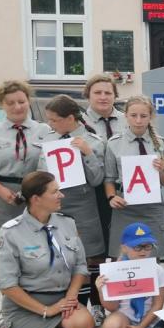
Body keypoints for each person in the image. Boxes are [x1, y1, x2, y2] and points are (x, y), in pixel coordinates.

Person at [0, 172, 95, 328]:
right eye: (55, 191)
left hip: (60, 298)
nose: (61, 195)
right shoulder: (11, 232)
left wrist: (71, 297)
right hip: (25, 307)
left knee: (82, 325)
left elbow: (80, 266)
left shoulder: (67, 223)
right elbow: (7, 285)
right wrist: (46, 310)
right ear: (36, 199)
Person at [38, 95, 107, 315]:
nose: (50, 124)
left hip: (84, 206)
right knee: (62, 257)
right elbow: (41, 173)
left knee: (90, 257)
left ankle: (95, 306)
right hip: (56, 206)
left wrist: (87, 153)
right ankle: (74, 307)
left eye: (54, 120)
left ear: (70, 118)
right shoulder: (49, 140)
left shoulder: (93, 140)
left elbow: (97, 179)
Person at [0, 80, 49, 254]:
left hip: (35, 197)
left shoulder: (44, 130)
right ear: (1, 105)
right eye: (10, 103)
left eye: (21, 101)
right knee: (5, 250)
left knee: (35, 249)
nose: (17, 107)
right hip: (1, 197)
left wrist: (31, 191)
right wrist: (0, 190)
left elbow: (47, 165)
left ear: (28, 101)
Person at [104, 95, 164, 259]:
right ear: (126, 116)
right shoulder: (114, 143)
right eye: (133, 115)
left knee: (151, 255)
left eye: (143, 116)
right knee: (122, 257)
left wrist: (161, 171)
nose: (138, 120)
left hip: (152, 207)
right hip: (125, 206)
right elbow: (109, 178)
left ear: (150, 117)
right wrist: (111, 197)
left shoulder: (160, 143)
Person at [96, 222, 164, 328]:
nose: (143, 251)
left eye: (147, 246)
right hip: (124, 317)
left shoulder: (157, 270)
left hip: (148, 319)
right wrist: (100, 290)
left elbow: (157, 305)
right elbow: (111, 307)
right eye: (137, 247)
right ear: (124, 248)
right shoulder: (114, 270)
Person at [83, 74, 126, 261]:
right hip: (92, 190)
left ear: (115, 95)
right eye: (97, 92)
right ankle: (97, 280)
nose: (103, 97)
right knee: (96, 247)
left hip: (121, 189)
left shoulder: (128, 119)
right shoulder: (80, 123)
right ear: (88, 95)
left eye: (108, 93)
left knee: (121, 243)